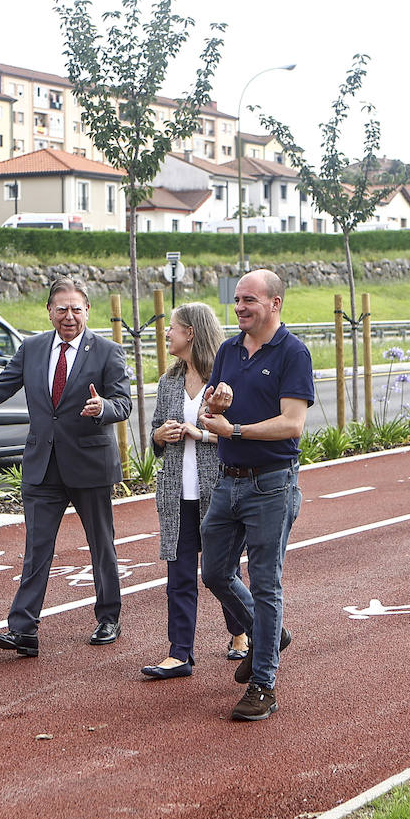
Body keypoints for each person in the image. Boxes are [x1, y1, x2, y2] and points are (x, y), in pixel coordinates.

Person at [0, 278, 131, 656]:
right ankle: (23, 629)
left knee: (101, 545)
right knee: (36, 550)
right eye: (61, 309)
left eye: (76, 308)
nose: (69, 316)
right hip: (42, 465)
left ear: (88, 310)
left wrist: (103, 408)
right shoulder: (33, 348)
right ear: (49, 312)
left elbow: (123, 403)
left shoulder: (107, 352)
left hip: (89, 464)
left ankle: (108, 617)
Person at [198, 270, 314, 721]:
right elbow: (213, 405)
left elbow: (292, 423)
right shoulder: (228, 350)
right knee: (215, 572)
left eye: (250, 300)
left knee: (266, 584)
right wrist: (216, 404)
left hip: (271, 482)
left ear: (275, 303)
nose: (241, 307)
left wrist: (237, 429)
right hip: (228, 479)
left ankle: (264, 684)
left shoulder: (293, 352)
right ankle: (271, 633)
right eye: (238, 300)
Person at [140, 303, 250, 680]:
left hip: (218, 491)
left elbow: (238, 433)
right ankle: (179, 653)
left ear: (191, 333)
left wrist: (198, 433)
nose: (166, 334)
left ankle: (240, 633)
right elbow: (154, 433)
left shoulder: (224, 381)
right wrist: (159, 435)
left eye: (172, 328)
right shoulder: (169, 380)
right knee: (179, 575)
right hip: (175, 494)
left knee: (222, 571)